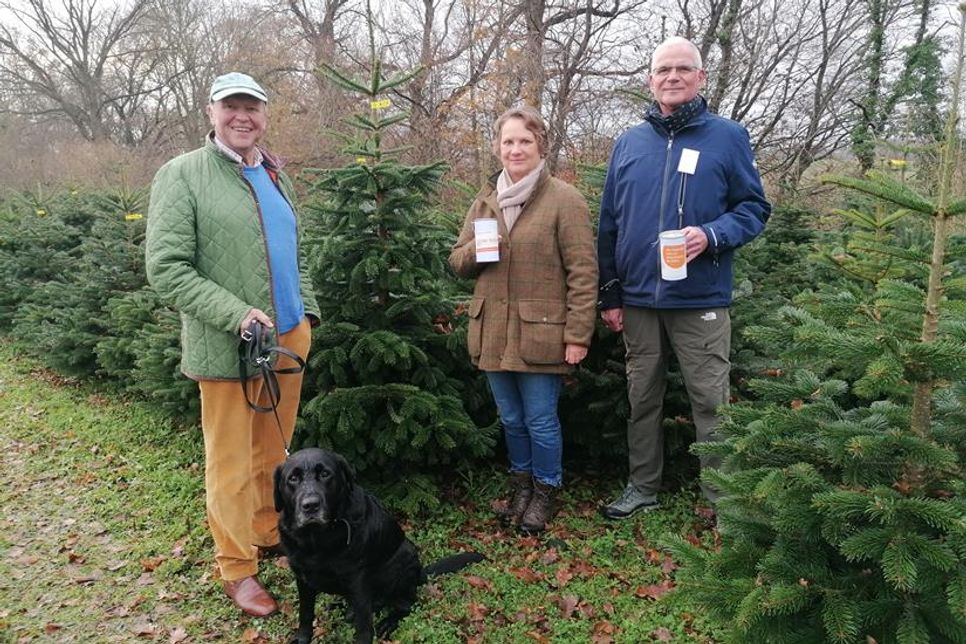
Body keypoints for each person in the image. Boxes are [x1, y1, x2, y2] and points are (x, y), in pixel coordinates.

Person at [145, 72, 320, 615]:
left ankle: (270, 534)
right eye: (231, 107)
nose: (242, 117)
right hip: (228, 347)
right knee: (228, 461)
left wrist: (306, 310)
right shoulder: (182, 175)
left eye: (252, 107)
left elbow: (296, 250)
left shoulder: (273, 173)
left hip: (288, 341)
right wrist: (236, 313)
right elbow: (166, 268)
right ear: (211, 112)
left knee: (275, 450)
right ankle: (236, 567)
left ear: (265, 115)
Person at [596, 37, 770, 520]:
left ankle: (723, 498)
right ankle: (642, 486)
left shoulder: (728, 136)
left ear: (700, 77)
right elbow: (609, 221)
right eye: (662, 70)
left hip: (700, 298)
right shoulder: (629, 144)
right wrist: (611, 292)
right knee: (641, 398)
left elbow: (755, 208)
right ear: (650, 80)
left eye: (682, 69)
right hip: (637, 301)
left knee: (711, 400)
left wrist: (711, 235)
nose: (671, 77)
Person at [449, 105, 598, 535]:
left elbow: (584, 273)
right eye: (508, 141)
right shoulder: (485, 201)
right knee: (511, 419)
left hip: (541, 334)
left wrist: (578, 336)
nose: (516, 149)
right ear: (497, 147)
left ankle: (545, 489)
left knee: (540, 419)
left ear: (540, 145)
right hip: (493, 333)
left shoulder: (564, 200)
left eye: (524, 141)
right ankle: (520, 484)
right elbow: (457, 261)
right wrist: (480, 248)